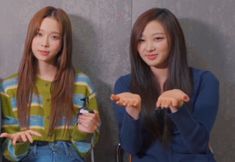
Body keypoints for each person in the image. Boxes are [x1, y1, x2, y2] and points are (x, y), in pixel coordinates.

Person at [111, 8, 219, 162]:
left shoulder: (205, 81)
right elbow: (131, 147)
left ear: (174, 39)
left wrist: (178, 109)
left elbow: (199, 145)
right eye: (141, 40)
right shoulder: (125, 85)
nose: (148, 48)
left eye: (158, 38)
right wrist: (132, 112)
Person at [0, 6, 100, 162]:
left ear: (63, 42)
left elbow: (85, 147)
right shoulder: (9, 87)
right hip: (27, 156)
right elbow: (8, 147)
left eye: (54, 37)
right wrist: (18, 142)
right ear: (30, 37)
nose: (44, 43)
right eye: (39, 34)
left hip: (68, 156)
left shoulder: (82, 83)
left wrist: (84, 131)